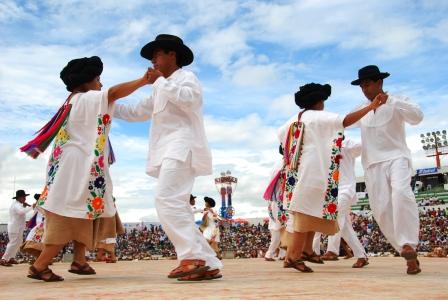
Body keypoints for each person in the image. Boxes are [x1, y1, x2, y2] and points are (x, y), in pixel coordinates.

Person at [20, 56, 150, 282]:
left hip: (76, 167)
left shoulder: (72, 101)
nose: (101, 84)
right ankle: (40, 265)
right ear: (86, 82)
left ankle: (80, 261)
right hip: (77, 168)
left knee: (86, 212)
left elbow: (122, 106)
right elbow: (113, 93)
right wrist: (144, 80)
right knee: (70, 215)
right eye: (98, 79)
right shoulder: (85, 98)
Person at [113, 34, 222, 281]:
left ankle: (191, 258)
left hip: (182, 147)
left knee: (166, 199)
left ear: (172, 55)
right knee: (177, 205)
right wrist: (105, 102)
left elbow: (189, 99)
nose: (153, 59)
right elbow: (134, 111)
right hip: (167, 151)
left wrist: (160, 82)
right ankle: (206, 261)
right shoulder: (159, 88)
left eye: (157, 54)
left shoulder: (186, 78)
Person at [280, 83, 385, 273]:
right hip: (313, 170)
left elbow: (283, 142)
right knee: (304, 215)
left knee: (312, 211)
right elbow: (345, 121)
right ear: (318, 101)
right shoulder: (319, 116)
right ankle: (293, 256)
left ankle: (306, 250)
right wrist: (370, 107)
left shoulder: (289, 121)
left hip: (295, 172)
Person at [351, 65, 424, 275]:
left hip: (397, 158)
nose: (364, 89)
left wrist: (390, 100)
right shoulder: (361, 108)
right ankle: (406, 252)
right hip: (372, 164)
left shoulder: (398, 101)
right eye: (361, 86)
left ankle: (409, 243)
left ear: (379, 83)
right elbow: (343, 124)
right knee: (381, 210)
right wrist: (369, 106)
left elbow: (417, 117)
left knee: (401, 193)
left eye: (367, 84)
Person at [319, 139, 369, 268]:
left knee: (334, 216)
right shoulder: (324, 148)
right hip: (333, 191)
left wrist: (344, 144)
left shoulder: (348, 143)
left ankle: (332, 250)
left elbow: (361, 147)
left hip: (346, 188)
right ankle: (361, 256)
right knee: (345, 227)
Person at [0, 190, 34, 266]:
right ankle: (4, 259)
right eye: (24, 197)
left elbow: (20, 212)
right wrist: (32, 207)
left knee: (18, 242)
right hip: (15, 227)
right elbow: (21, 212)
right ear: (19, 197)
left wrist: (25, 206)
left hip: (18, 227)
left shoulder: (18, 204)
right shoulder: (16, 205)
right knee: (13, 243)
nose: (25, 198)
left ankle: (11, 258)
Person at [21, 193, 45, 260]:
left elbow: (34, 214)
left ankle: (38, 257)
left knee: (38, 238)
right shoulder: (42, 203)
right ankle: (40, 257)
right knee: (40, 239)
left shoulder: (38, 203)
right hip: (42, 223)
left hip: (40, 222)